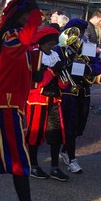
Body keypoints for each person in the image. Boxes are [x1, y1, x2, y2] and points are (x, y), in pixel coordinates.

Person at [0, 0, 57, 201]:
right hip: (5, 105)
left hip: (11, 104)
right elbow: (21, 42)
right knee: (19, 160)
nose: (32, 20)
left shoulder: (18, 39)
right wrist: (35, 16)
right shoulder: (11, 35)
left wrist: (36, 75)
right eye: (29, 16)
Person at [58, 18, 101, 174]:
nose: (79, 35)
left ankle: (65, 150)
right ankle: (72, 158)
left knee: (79, 126)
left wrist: (87, 68)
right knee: (69, 125)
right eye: (76, 32)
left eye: (81, 32)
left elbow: (98, 65)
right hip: (68, 91)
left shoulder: (87, 47)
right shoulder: (61, 47)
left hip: (84, 90)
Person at [26, 27, 68, 182]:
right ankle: (33, 165)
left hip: (54, 99)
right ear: (42, 43)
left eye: (53, 44)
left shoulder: (55, 55)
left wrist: (64, 73)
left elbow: (63, 84)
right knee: (35, 134)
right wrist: (52, 71)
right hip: (38, 99)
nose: (52, 47)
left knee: (56, 133)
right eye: (50, 44)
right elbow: (37, 82)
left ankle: (55, 167)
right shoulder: (35, 56)